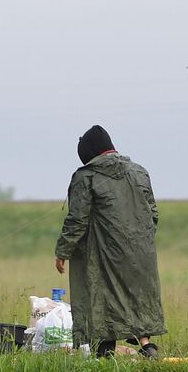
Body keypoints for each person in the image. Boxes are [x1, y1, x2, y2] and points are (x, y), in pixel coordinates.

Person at [55, 125, 165, 358]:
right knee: (138, 295)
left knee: (100, 292)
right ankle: (147, 346)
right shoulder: (139, 172)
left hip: (103, 252)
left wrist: (63, 250)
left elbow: (77, 219)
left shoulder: (86, 177)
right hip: (140, 251)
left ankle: (105, 350)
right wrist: (138, 240)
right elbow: (152, 214)